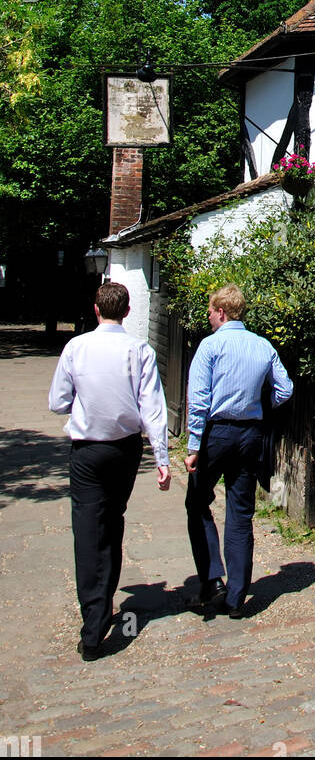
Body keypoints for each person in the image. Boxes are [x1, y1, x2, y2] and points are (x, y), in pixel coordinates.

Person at [49, 280, 170, 662]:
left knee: (87, 529)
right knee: (113, 520)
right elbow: (153, 408)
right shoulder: (139, 350)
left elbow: (57, 402)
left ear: (96, 310)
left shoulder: (76, 347)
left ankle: (94, 619)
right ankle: (104, 603)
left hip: (87, 450)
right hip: (125, 449)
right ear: (128, 311)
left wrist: (82, 402)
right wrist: (162, 459)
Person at [184, 284, 293, 618]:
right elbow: (285, 390)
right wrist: (262, 405)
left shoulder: (210, 346)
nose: (209, 320)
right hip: (250, 434)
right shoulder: (262, 346)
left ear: (221, 312)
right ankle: (236, 598)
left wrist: (192, 444)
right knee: (241, 512)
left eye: (210, 314)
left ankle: (213, 576)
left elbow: (199, 399)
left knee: (197, 500)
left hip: (217, 433)